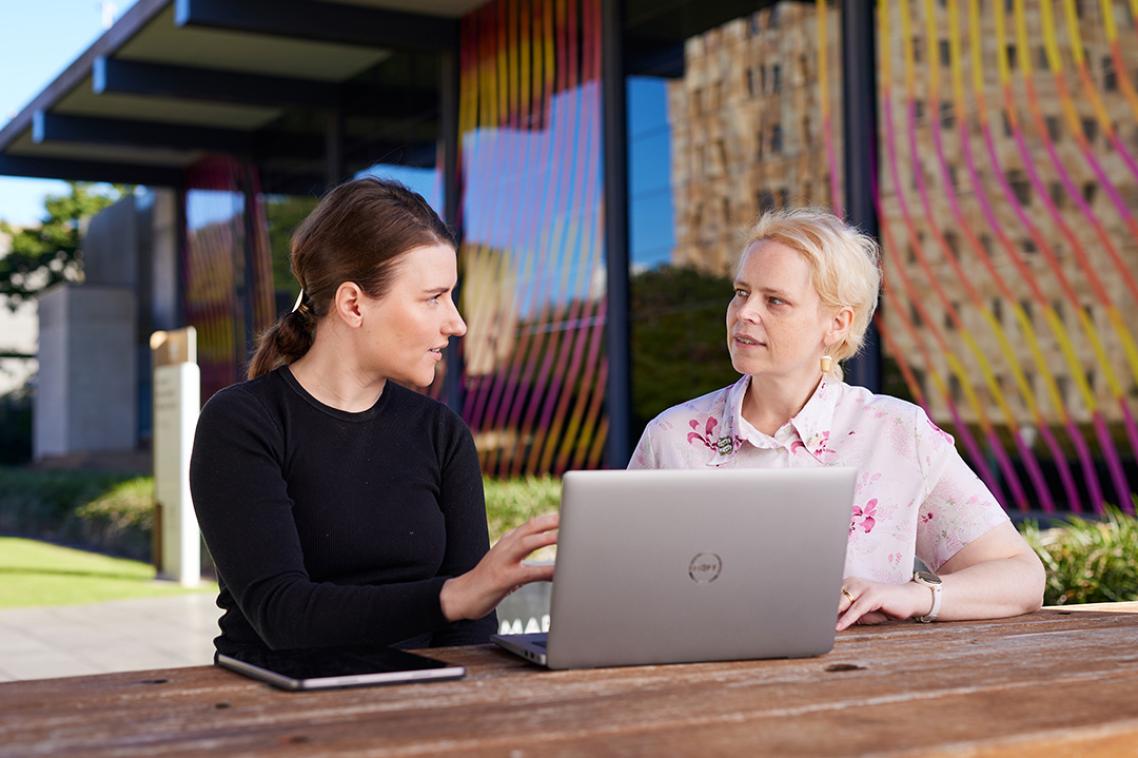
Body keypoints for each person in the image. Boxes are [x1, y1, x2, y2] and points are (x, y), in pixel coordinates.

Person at [189, 177, 557, 656]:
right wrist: (453, 596)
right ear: (353, 304)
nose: (458, 322)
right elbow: (283, 616)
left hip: (420, 701)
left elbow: (470, 635)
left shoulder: (440, 433)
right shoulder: (243, 422)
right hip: (277, 709)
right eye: (433, 297)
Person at [629, 208, 1044, 630]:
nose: (744, 313)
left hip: (861, 687)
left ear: (837, 323)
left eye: (775, 300)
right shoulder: (671, 436)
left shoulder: (899, 434)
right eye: (740, 292)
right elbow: (628, 588)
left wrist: (914, 595)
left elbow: (1020, 576)